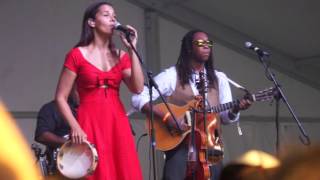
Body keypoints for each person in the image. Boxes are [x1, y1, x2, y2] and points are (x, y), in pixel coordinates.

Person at [132, 29, 251, 180]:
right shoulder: (172, 75)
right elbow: (138, 97)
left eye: (209, 43)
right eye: (201, 43)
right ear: (189, 47)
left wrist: (235, 109)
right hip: (179, 148)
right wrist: (168, 116)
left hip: (211, 150)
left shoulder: (219, 78)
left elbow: (225, 119)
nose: (207, 46)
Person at [55, 1, 144, 180]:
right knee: (96, 172)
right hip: (89, 121)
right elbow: (60, 97)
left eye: (114, 16)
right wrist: (75, 126)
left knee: (124, 170)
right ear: (92, 22)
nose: (113, 18)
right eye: (106, 14)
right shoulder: (77, 55)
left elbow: (138, 87)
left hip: (116, 121)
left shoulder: (122, 56)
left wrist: (131, 49)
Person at [34, 90, 78, 175]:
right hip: (60, 167)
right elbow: (41, 135)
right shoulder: (51, 108)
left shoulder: (92, 109)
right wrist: (70, 144)